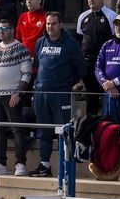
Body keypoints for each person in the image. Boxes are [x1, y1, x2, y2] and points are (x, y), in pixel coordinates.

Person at [32, 12, 87, 177]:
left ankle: (66, 166)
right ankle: (45, 165)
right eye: (48, 24)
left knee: (64, 130)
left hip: (61, 94)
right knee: (44, 130)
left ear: (61, 25)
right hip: (41, 93)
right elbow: (37, 64)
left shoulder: (70, 44)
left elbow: (81, 68)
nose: (50, 27)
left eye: (54, 24)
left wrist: (66, 84)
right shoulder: (40, 42)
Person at [0, 18, 32, 176]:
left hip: (12, 95)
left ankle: (20, 164)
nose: (1, 32)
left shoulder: (20, 48)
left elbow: (27, 73)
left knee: (17, 130)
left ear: (12, 30)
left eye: (4, 28)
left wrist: (18, 93)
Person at [75, 0, 115, 115]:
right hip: (88, 65)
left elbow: (117, 40)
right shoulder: (83, 17)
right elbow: (80, 40)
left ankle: (107, 127)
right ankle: (91, 128)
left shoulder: (111, 16)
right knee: (91, 99)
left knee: (107, 98)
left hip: (106, 65)